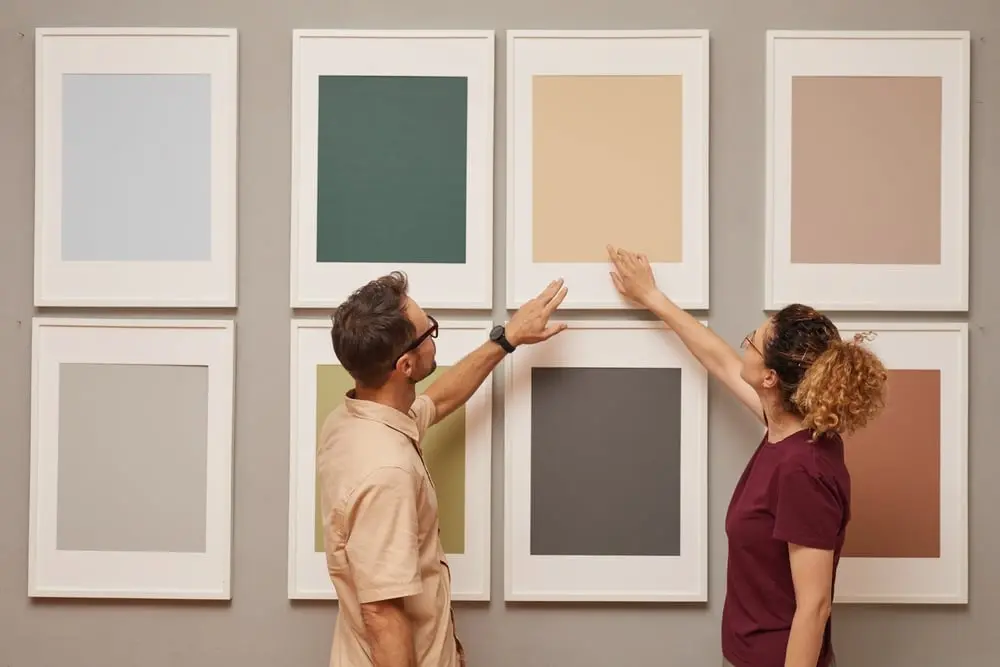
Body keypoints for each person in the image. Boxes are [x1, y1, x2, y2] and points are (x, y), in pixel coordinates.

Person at [606, 246, 888, 667]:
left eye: (751, 343)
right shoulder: (790, 427)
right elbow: (719, 360)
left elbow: (814, 608)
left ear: (771, 377)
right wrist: (652, 297)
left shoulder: (801, 468)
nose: (743, 348)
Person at [317, 271, 568, 667]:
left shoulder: (353, 422)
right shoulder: (388, 471)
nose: (434, 337)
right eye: (428, 331)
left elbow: (438, 400)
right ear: (405, 365)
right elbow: (382, 616)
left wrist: (507, 339)